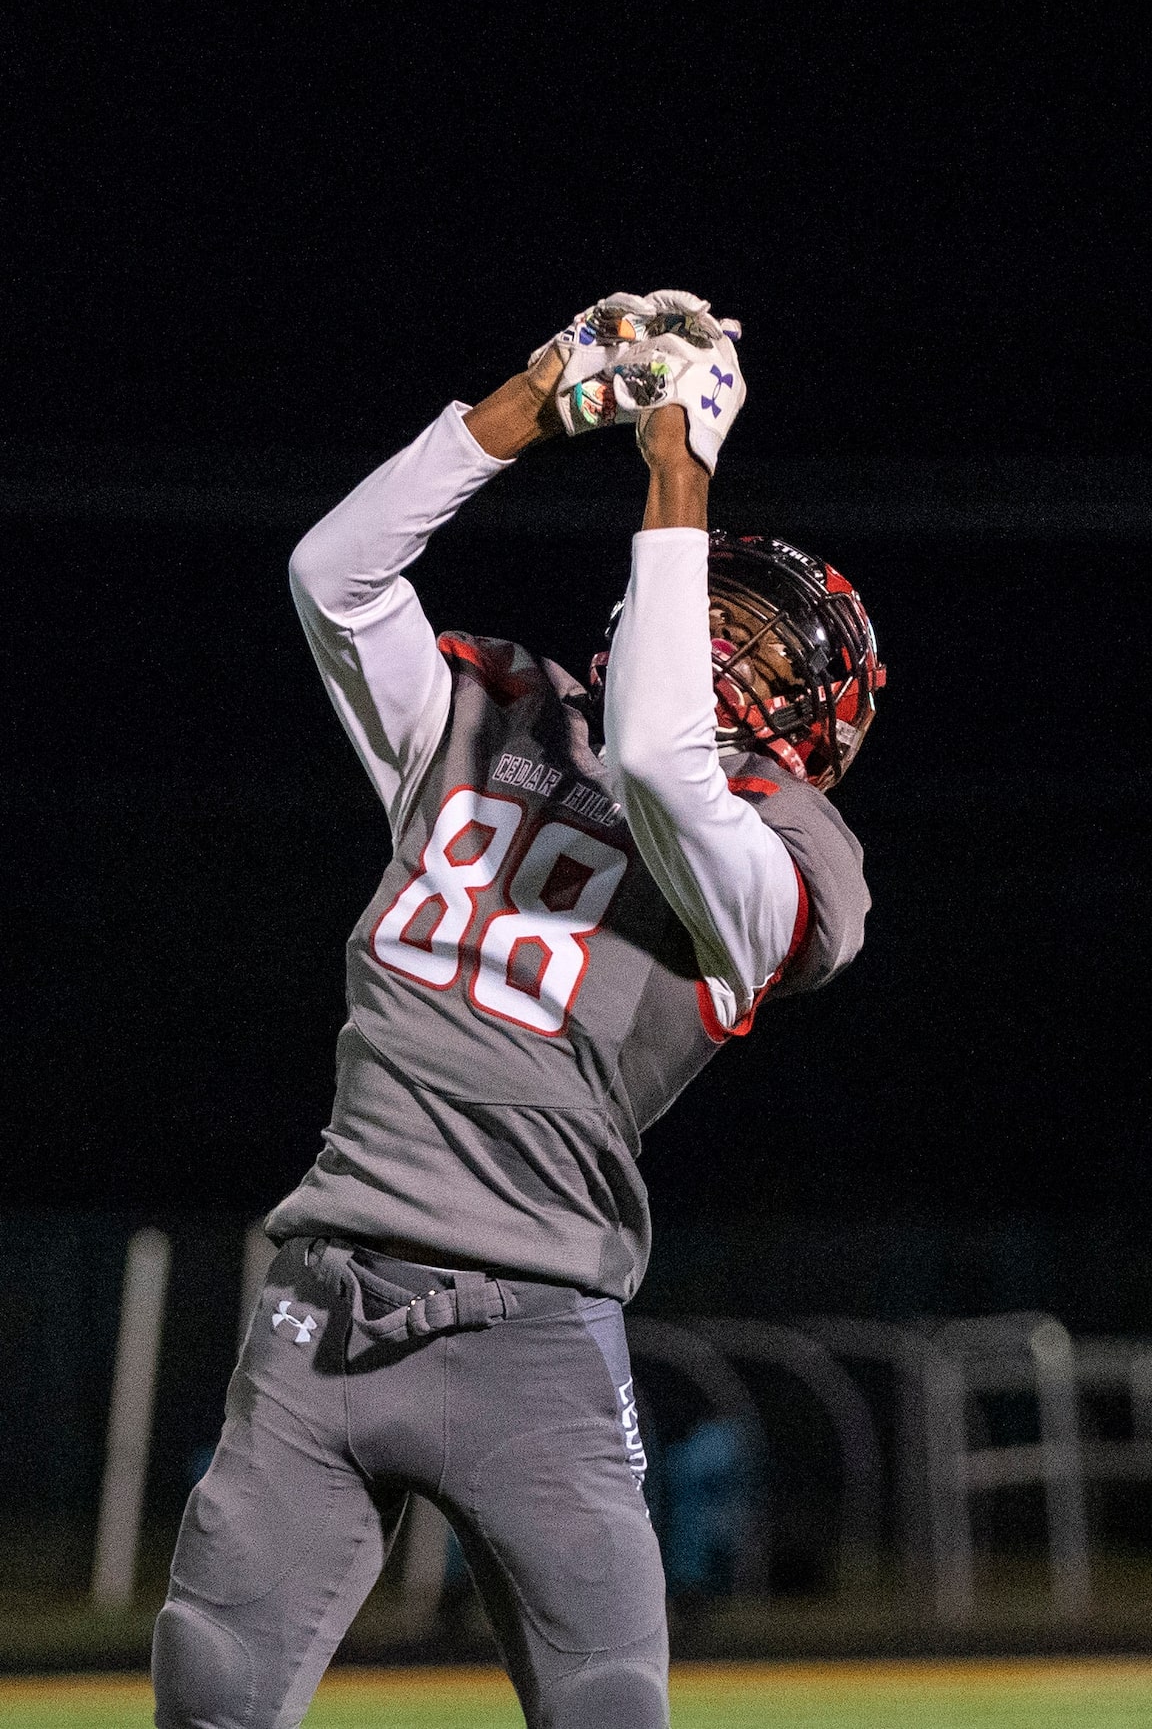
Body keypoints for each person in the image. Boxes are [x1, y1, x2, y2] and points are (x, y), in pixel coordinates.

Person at [155, 293, 885, 1729]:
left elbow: (669, 765)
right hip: (326, 1295)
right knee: (211, 1691)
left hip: (534, 1334)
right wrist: (529, 403)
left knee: (608, 1707)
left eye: (772, 651)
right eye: (716, 611)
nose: (731, 646)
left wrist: (680, 471)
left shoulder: (779, 856)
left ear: (819, 725)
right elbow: (336, 574)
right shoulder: (498, 710)